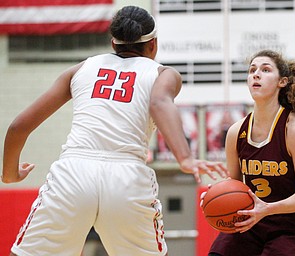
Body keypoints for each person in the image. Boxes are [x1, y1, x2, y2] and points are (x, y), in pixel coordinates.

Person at [1, 5, 228, 256]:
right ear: (153, 44)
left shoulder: (81, 69)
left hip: (74, 172)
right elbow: (159, 102)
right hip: (127, 177)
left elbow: (18, 126)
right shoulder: (163, 73)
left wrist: (10, 174)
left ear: (113, 42)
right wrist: (184, 158)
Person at [205, 50, 295, 256]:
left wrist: (266, 208)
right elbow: (236, 185)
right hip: (250, 220)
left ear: (282, 81)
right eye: (252, 70)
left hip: (292, 224)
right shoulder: (236, 132)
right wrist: (215, 194)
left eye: (265, 70)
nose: (256, 74)